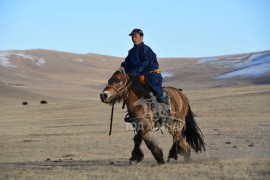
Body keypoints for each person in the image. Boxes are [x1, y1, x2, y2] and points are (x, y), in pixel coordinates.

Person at [120, 29, 168, 104]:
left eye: (135, 36)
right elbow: (127, 63)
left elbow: (144, 64)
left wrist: (133, 73)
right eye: (132, 37)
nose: (133, 38)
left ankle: (166, 106)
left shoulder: (146, 50)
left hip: (151, 74)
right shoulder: (131, 51)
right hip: (137, 75)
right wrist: (122, 68)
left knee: (157, 92)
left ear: (142, 37)